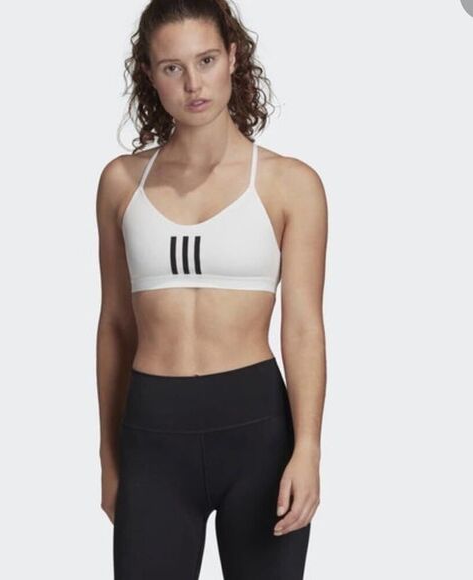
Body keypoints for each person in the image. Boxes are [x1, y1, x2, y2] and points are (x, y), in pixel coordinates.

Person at [95, 1, 327, 578]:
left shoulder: (290, 184)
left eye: (206, 60)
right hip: (153, 435)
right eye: (172, 67)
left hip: (257, 433)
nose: (193, 84)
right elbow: (116, 325)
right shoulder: (121, 182)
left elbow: (303, 329)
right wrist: (108, 456)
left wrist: (308, 449)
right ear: (149, 74)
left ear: (233, 57)